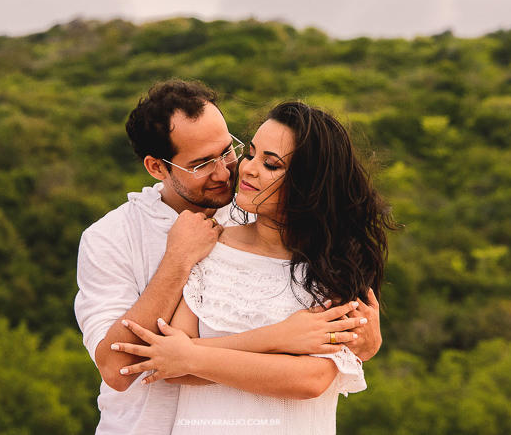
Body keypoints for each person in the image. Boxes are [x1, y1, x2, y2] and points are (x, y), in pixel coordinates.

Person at [75, 83, 380, 435]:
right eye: (202, 164)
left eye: (229, 151)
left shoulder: (259, 213)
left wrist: (365, 345)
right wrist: (178, 259)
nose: (226, 172)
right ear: (157, 167)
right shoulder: (110, 237)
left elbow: (317, 371)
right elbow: (121, 368)